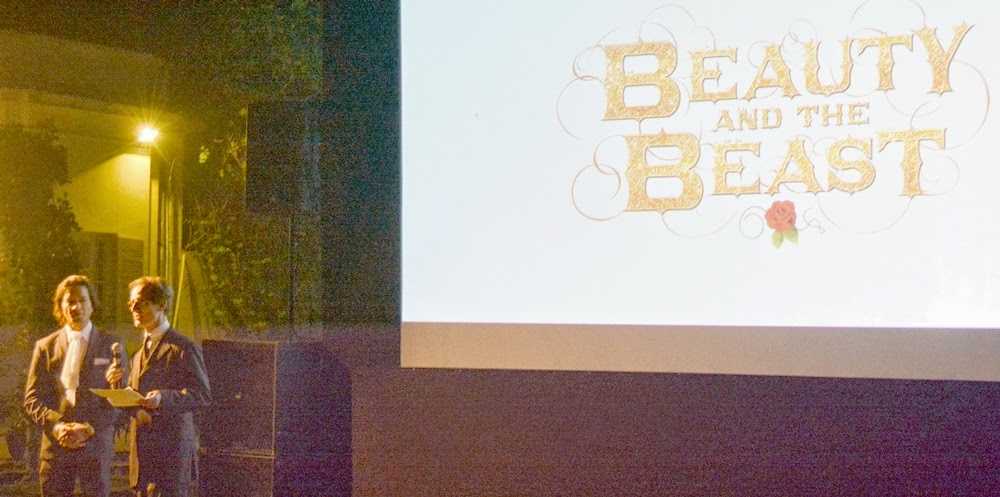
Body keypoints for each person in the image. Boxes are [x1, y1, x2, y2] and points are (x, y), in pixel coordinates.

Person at [23, 274, 129, 497]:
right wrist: (57, 426)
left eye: (82, 300)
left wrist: (88, 428)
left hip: (95, 448)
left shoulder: (112, 346)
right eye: (70, 301)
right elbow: (32, 399)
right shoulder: (45, 347)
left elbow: (121, 399)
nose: (76, 307)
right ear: (60, 306)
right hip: (56, 449)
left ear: (92, 304)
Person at [106, 276, 210, 497]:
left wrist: (163, 398)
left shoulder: (183, 347)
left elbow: (202, 395)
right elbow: (135, 404)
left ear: (161, 305)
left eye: (141, 303)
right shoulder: (137, 355)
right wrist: (117, 390)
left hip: (171, 459)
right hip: (142, 459)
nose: (134, 309)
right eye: (131, 303)